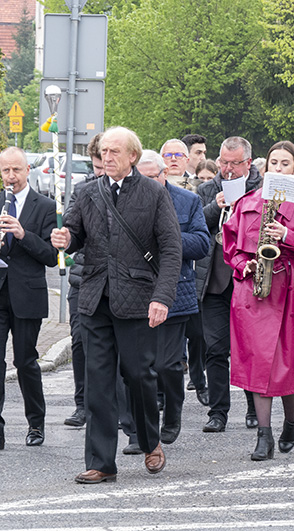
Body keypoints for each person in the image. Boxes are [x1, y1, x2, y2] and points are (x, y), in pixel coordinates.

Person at [51, 126, 182, 484]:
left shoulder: (154, 193)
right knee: (98, 380)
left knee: (138, 376)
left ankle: (149, 440)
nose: (106, 158)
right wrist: (63, 238)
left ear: (132, 157)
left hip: (138, 299)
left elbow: (171, 249)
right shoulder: (86, 191)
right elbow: (74, 236)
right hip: (94, 298)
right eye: (103, 151)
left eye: (113, 152)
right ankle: (101, 461)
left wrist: (162, 297)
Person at [222, 141, 294, 460]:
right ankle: (263, 435)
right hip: (256, 290)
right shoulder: (247, 202)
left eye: (286, 163)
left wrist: (288, 236)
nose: (279, 168)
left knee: (290, 363)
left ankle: (290, 421)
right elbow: (231, 247)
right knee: (258, 362)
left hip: (293, 287)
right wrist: (246, 265)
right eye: (274, 162)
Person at [0, 146, 57, 452]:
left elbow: (51, 255)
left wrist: (23, 235)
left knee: (26, 361)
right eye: (5, 171)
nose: (11, 177)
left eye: (16, 170)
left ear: (27, 170)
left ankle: (36, 421)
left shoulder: (45, 206)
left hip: (27, 296)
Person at [137, 150, 209, 443]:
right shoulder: (127, 201)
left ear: (164, 174)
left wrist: (169, 237)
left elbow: (202, 244)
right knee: (141, 366)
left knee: (168, 363)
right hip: (137, 293)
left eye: (153, 177)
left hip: (175, 292)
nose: (149, 183)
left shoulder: (187, 201)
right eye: (142, 178)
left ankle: (173, 412)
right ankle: (142, 426)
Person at [197, 137, 262, 432]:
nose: (227, 169)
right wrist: (215, 207)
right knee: (215, 348)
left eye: (234, 163)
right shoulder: (207, 189)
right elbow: (195, 225)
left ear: (248, 163)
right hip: (215, 282)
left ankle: (253, 407)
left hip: (247, 279)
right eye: (223, 162)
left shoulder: (262, 189)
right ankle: (218, 411)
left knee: (248, 349)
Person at [64, 133, 104, 428]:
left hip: (114, 279)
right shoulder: (82, 190)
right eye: (98, 165)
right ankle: (82, 404)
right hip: (83, 277)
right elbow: (71, 227)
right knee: (79, 342)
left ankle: (112, 405)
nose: (102, 171)